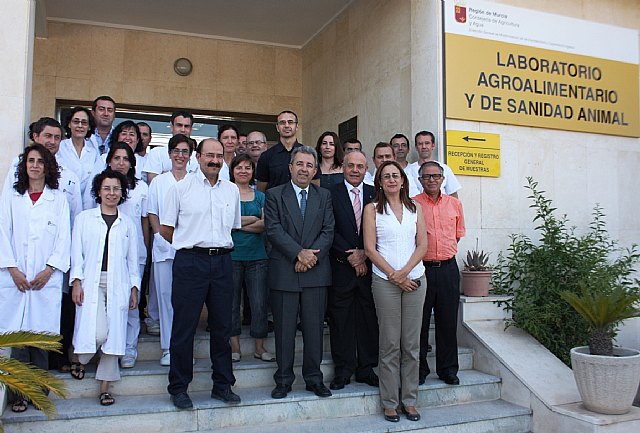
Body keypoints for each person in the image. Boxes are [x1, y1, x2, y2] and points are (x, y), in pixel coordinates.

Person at [160, 138, 241, 410]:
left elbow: (233, 228)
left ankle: (222, 385)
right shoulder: (180, 189)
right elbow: (166, 230)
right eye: (209, 155)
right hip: (190, 262)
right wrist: (192, 246)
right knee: (184, 328)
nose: (215, 160)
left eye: (219, 156)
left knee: (223, 327)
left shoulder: (231, 191)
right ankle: (179, 388)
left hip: (222, 263)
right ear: (197, 157)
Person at [0, 144, 71, 413]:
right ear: (24, 165)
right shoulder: (11, 198)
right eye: (31, 161)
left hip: (44, 279)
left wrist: (49, 269)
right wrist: (12, 269)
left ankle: (39, 392)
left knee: (40, 338)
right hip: (15, 277)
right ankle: (19, 394)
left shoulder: (58, 199)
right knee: (18, 340)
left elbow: (64, 237)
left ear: (47, 166)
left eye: (40, 161)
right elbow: (2, 233)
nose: (35, 166)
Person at [264, 146, 335, 399]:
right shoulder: (274, 195)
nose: (304, 169)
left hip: (315, 271)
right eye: (300, 164)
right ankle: (283, 379)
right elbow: (273, 229)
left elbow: (328, 230)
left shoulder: (323, 195)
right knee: (284, 330)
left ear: (315, 170)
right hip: (285, 270)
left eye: (309, 165)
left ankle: (314, 379)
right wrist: (298, 254)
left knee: (314, 329)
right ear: (290, 167)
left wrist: (309, 258)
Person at [363, 160, 427, 423]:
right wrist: (394, 276)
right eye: (386, 176)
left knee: (411, 345)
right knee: (390, 344)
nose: (391, 180)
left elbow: (422, 245)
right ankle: (390, 402)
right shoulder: (372, 209)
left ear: (403, 180)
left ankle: (409, 400)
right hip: (385, 282)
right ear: (379, 181)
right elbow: (369, 249)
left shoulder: (416, 208)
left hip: (415, 281)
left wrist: (404, 273)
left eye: (395, 175)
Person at [71, 170, 140, 407]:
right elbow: (76, 254)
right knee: (99, 331)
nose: (112, 193)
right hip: (92, 281)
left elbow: (134, 259)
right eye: (107, 189)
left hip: (118, 281)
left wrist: (134, 287)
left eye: (116, 189)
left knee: (115, 334)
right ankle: (81, 357)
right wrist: (76, 281)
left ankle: (104, 387)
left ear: (122, 193)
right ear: (98, 192)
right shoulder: (84, 219)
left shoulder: (128, 223)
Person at [87, 143, 149, 368]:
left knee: (130, 304)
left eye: (126, 158)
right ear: (109, 160)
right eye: (117, 158)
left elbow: (144, 221)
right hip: (103, 256)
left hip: (133, 254)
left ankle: (128, 348)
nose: (121, 162)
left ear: (132, 163)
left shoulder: (141, 188)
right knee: (102, 307)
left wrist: (145, 249)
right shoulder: (100, 185)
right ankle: (101, 349)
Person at [327, 150, 379, 390]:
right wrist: (351, 256)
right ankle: (343, 370)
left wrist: (364, 256)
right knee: (341, 320)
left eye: (360, 166)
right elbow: (328, 228)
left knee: (369, 319)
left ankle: (366, 369)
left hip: (370, 269)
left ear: (366, 168)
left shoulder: (376, 194)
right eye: (351, 166)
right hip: (341, 267)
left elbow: (382, 229)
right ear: (343, 168)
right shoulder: (330, 194)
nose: (355, 170)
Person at [414, 161, 465, 386]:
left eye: (436, 176)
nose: (432, 180)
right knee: (420, 323)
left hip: (447, 269)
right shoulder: (412, 204)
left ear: (443, 179)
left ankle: (447, 369)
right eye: (427, 177)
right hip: (422, 269)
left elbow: (458, 234)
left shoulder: (454, 204)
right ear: (420, 180)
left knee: (447, 322)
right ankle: (419, 369)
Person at [147, 134, 195, 366]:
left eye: (185, 151)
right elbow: (152, 213)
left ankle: (185, 348)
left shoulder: (196, 181)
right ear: (169, 154)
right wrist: (159, 235)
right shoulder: (159, 182)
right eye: (176, 150)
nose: (180, 155)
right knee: (166, 298)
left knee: (187, 301)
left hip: (189, 248)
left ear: (190, 156)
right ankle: (168, 348)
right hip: (164, 247)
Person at [228, 154, 274, 363]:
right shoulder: (226, 193)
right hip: (231, 256)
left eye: (248, 168)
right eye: (239, 168)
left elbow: (265, 225)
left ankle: (259, 346)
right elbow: (224, 222)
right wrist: (252, 219)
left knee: (258, 303)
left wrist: (237, 223)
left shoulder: (260, 196)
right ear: (233, 171)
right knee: (231, 303)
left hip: (258, 257)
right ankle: (234, 346)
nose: (244, 171)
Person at [256, 110, 319, 192]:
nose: (286, 125)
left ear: (297, 126)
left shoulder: (309, 155)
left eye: (290, 122)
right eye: (282, 122)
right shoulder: (266, 156)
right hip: (275, 204)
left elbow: (315, 185)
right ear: (277, 127)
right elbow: (261, 189)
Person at [404, 131, 461, 198]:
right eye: (420, 144)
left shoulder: (445, 169)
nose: (424, 146)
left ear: (433, 145)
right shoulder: (408, 171)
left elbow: (453, 195)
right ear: (416, 147)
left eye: (427, 143)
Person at [144, 110, 196, 184]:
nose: (183, 130)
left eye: (186, 126)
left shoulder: (197, 157)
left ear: (191, 129)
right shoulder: (157, 153)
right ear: (171, 127)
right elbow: (154, 184)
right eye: (179, 125)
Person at [58, 106, 99, 196]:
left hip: (87, 201)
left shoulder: (93, 153)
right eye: (76, 122)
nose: (80, 126)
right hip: (64, 197)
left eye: (84, 123)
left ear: (88, 127)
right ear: (69, 124)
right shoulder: (60, 147)